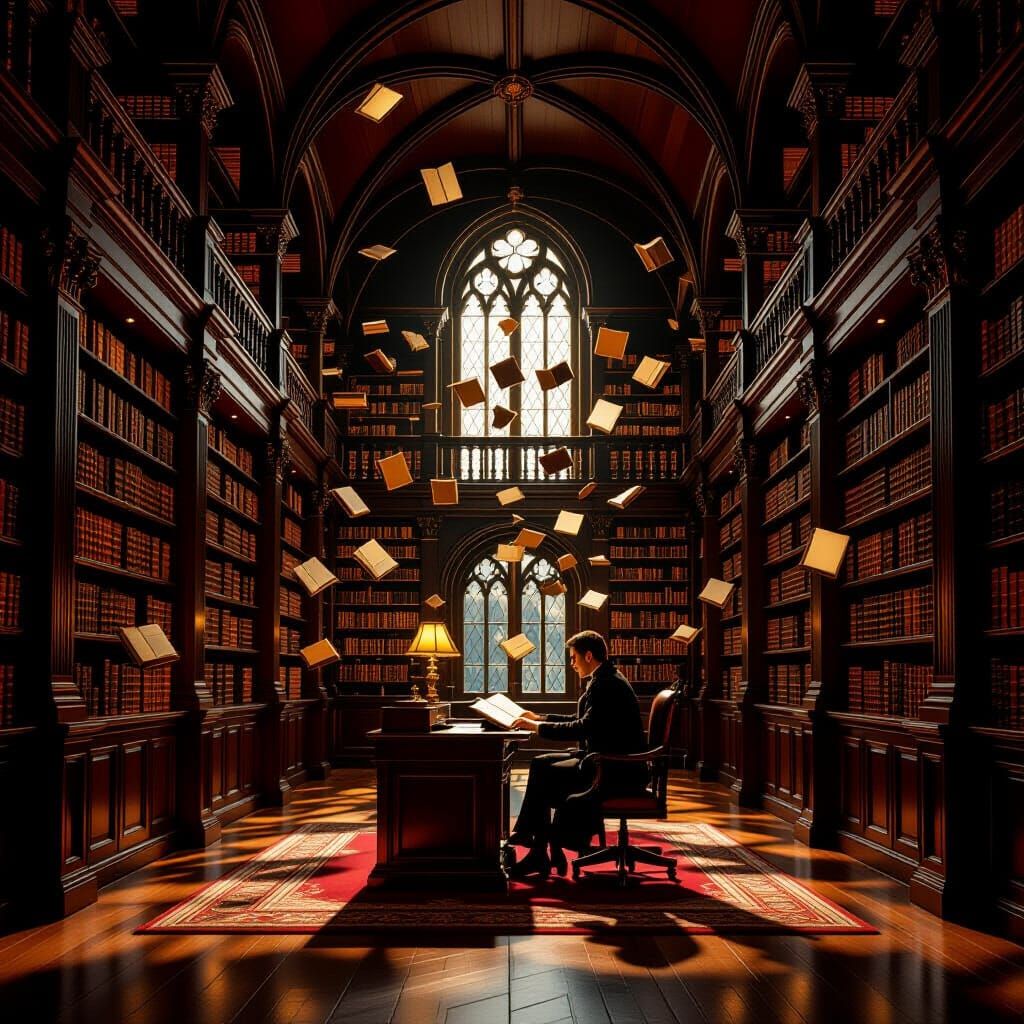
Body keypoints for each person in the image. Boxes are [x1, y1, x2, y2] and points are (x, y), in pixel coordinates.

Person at [507, 630, 647, 879]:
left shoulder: (607, 685)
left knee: (544, 773)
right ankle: (542, 846)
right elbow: (583, 720)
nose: (571, 664)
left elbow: (583, 727)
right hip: (605, 760)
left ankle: (541, 846)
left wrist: (537, 728)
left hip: (615, 769)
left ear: (589, 655)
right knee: (541, 764)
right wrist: (539, 718)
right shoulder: (605, 678)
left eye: (573, 658)